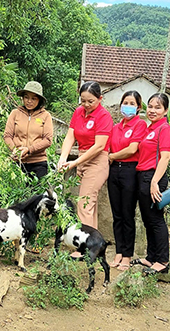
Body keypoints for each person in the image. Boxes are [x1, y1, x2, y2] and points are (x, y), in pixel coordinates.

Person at [58, 81, 113, 236]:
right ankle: (92, 245)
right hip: (83, 157)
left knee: (84, 204)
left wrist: (75, 163)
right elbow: (70, 136)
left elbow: (99, 146)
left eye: (91, 101)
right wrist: (63, 158)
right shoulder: (78, 112)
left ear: (100, 98)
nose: (86, 104)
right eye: (83, 100)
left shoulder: (103, 116)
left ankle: (85, 244)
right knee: (90, 205)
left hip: (97, 161)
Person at [133, 93, 170, 275]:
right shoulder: (150, 129)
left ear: (165, 110)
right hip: (143, 177)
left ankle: (163, 261)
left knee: (156, 219)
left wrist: (155, 182)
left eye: (158, 107)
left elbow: (165, 157)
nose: (152, 110)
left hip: (154, 178)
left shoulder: (165, 129)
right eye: (150, 106)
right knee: (147, 219)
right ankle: (151, 257)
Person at [106, 91, 147, 271]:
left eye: (132, 103)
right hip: (114, 172)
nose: (128, 106)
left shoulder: (140, 125)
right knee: (117, 215)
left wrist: (113, 155)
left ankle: (128, 255)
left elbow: (132, 149)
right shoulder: (115, 127)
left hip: (130, 171)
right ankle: (118, 252)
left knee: (128, 214)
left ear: (138, 107)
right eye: (125, 102)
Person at [3, 81, 53, 180]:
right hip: (17, 162)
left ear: (39, 100)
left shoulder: (45, 116)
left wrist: (29, 150)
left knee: (37, 194)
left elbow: (47, 140)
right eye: (26, 97)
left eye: (33, 98)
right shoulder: (15, 113)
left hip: (38, 163)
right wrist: (15, 151)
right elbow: (7, 136)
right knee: (17, 193)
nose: (29, 101)